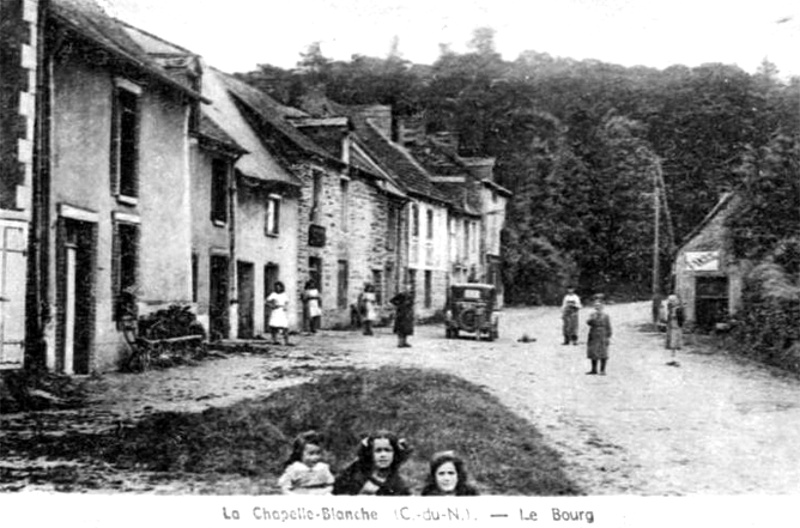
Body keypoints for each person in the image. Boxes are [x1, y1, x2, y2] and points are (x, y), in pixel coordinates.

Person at [332, 430, 412, 496]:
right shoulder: (353, 474)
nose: (383, 455)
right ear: (370, 453)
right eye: (378, 451)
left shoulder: (398, 485)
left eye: (387, 450)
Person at [277, 430, 334, 495]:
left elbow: (329, 484)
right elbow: (284, 487)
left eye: (318, 453)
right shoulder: (295, 469)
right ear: (300, 454)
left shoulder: (322, 468)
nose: (316, 457)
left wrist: (324, 492)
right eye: (311, 453)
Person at [586, 295, 612, 375]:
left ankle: (602, 370)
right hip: (593, 333)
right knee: (593, 351)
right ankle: (594, 369)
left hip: (602, 334)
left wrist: (608, 336)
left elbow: (608, 326)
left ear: (602, 306)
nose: (598, 307)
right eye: (596, 306)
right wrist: (592, 318)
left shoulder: (606, 316)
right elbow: (588, 323)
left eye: (599, 306)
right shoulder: (592, 315)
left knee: (603, 352)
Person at [267, 281, 292, 345]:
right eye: (276, 287)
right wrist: (272, 306)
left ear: (281, 287)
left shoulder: (284, 295)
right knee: (274, 326)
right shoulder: (273, 294)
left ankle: (286, 341)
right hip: (275, 311)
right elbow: (267, 302)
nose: (278, 288)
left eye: (279, 287)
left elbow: (286, 302)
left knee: (285, 326)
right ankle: (274, 340)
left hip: (282, 311)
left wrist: (285, 307)